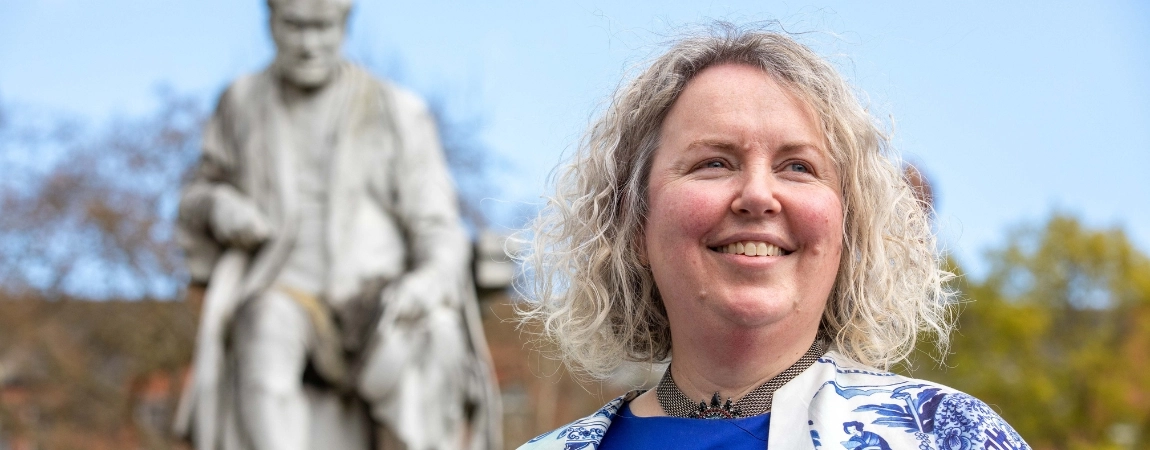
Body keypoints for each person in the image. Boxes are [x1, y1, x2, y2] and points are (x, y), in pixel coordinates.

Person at [516, 25, 1029, 449]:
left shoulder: (946, 435)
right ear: (632, 225)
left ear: (848, 229)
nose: (758, 195)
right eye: (713, 162)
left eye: (798, 166)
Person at [172, 0, 500, 448]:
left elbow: (437, 224)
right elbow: (197, 193)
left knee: (432, 332)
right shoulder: (242, 102)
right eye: (296, 27)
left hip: (377, 294)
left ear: (345, 25)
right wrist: (219, 205)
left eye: (323, 28)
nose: (310, 45)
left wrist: (429, 280)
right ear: (271, 23)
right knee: (262, 327)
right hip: (285, 290)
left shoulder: (396, 109)